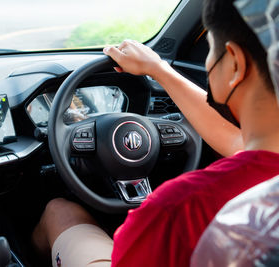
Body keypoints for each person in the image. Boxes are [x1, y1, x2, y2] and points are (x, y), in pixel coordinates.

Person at [31, 0, 279, 266]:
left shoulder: (177, 210)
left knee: (59, 212)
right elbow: (239, 144)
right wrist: (158, 70)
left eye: (210, 49)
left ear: (234, 64)